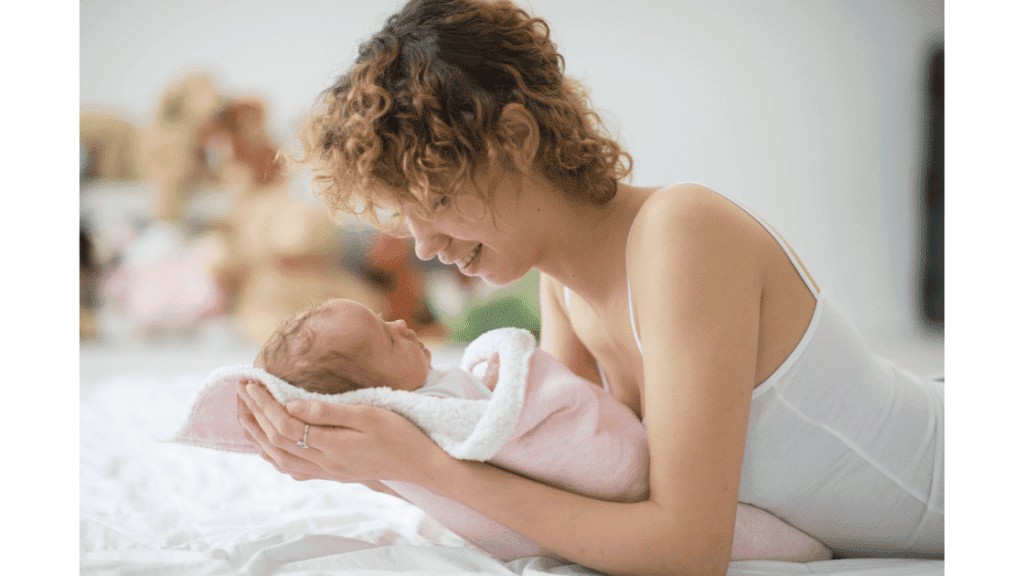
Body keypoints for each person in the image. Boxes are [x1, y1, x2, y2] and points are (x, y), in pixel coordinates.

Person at [236, 1, 944, 574]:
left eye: (437, 199)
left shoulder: (681, 233)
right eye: (406, 216)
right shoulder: (561, 288)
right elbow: (562, 497)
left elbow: (685, 551)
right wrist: (366, 461)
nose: (423, 244)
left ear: (515, 138)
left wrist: (423, 464)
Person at [254, 297, 494, 399]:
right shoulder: (426, 412)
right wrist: (494, 388)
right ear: (377, 394)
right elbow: (485, 426)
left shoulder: (425, 386)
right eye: (390, 341)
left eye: (382, 319)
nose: (400, 324)